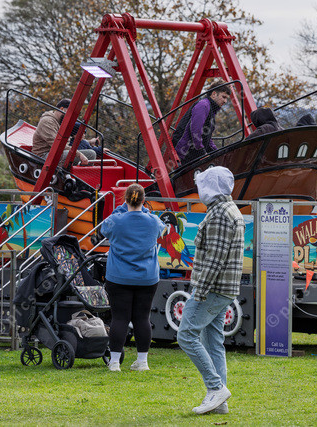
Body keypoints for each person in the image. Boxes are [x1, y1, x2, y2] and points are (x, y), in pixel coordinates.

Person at [177, 166, 245, 416]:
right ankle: (220, 402)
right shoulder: (230, 209)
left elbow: (215, 259)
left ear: (211, 186)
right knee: (214, 342)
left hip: (213, 288)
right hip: (224, 288)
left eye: (202, 184)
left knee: (186, 335)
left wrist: (200, 290)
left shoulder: (218, 214)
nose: (199, 189)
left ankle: (216, 388)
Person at [100, 184, 165, 372]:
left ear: (125, 199)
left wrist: (120, 210)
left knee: (119, 318)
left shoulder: (116, 220)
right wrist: (144, 212)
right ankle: (142, 361)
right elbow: (160, 230)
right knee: (142, 318)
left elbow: (104, 229)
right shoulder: (153, 221)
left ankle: (114, 362)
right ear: (144, 200)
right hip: (147, 277)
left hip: (119, 276)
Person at [174, 80, 230, 164]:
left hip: (192, 153)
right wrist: (202, 153)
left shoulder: (211, 109)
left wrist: (217, 153)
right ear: (214, 94)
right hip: (184, 152)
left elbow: (207, 137)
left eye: (226, 98)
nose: (225, 101)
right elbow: (195, 131)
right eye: (224, 97)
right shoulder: (203, 105)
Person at [32, 98, 96, 166]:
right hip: (43, 155)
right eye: (70, 113)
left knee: (91, 154)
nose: (71, 116)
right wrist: (79, 154)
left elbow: (69, 140)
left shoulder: (61, 122)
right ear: (62, 109)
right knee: (71, 154)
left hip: (57, 153)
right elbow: (56, 144)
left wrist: (89, 142)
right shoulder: (47, 121)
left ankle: (79, 173)